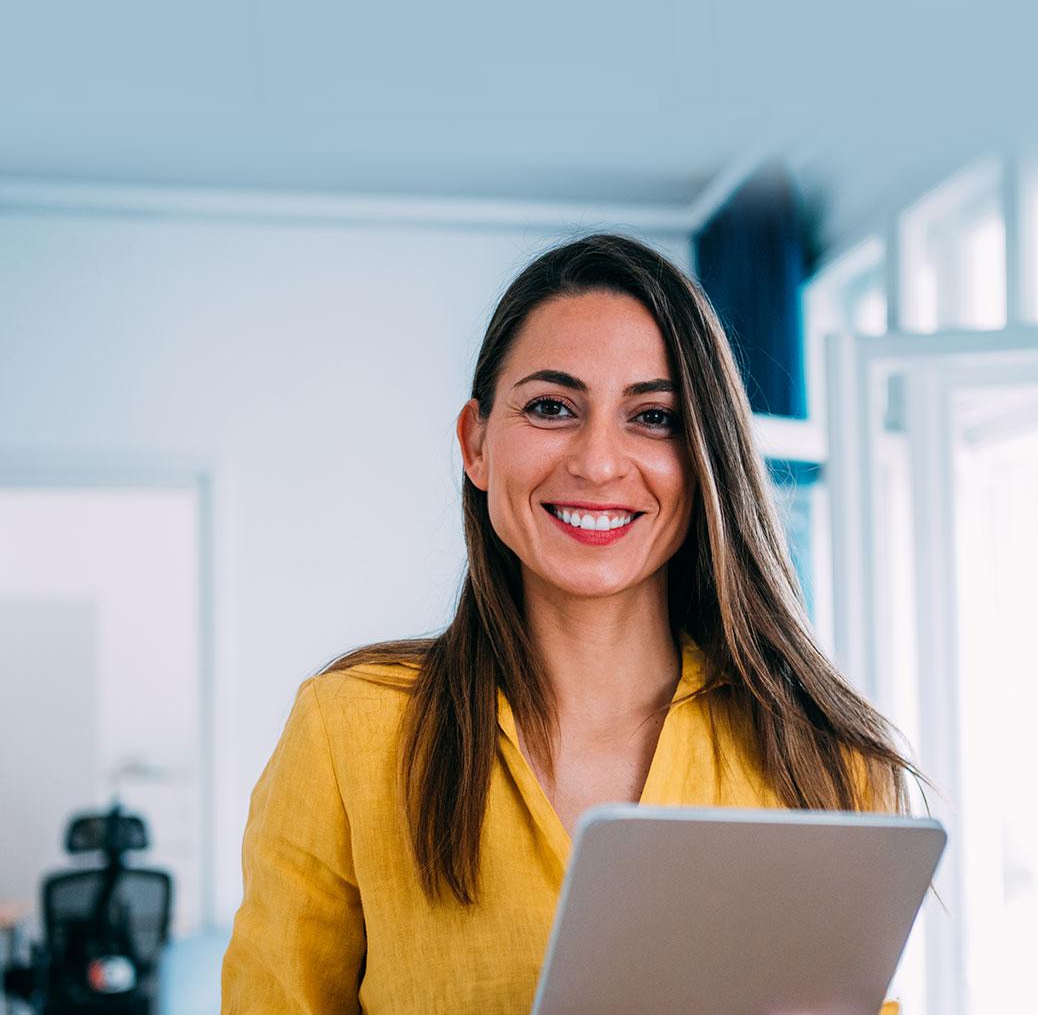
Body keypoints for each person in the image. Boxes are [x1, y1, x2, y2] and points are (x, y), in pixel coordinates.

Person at [220, 232, 925, 1013]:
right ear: (477, 443)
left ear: (704, 457)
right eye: (552, 407)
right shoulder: (346, 733)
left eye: (653, 416)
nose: (597, 462)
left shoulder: (821, 761)